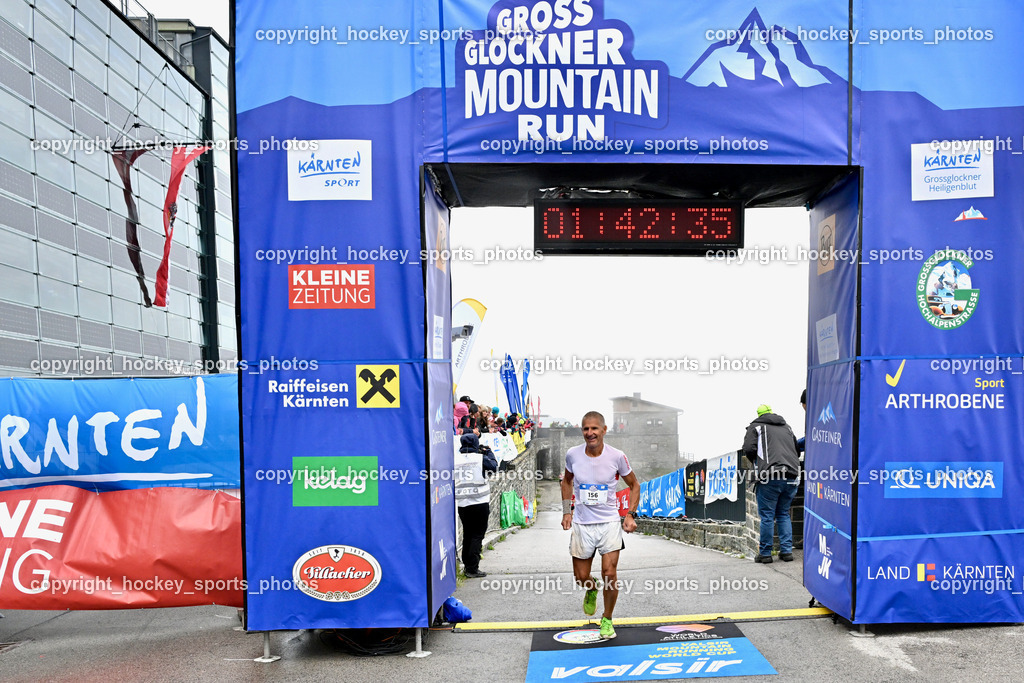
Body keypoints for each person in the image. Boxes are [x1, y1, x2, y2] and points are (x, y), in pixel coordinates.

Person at [560, 411, 641, 640]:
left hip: (609, 523)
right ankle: (591, 587)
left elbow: (634, 485)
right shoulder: (572, 455)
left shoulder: (617, 456)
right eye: (586, 429)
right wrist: (567, 511)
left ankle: (607, 619)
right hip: (582, 523)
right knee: (581, 576)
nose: (590, 433)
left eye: (594, 429)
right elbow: (566, 481)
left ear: (604, 430)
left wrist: (630, 515)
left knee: (610, 573)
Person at [742, 404, 801, 564]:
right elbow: (796, 449)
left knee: (767, 516)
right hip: (792, 475)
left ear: (759, 414)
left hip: (770, 475)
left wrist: (757, 461)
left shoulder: (756, 427)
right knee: (783, 514)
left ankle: (766, 554)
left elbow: (748, 448)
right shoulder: (787, 427)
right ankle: (786, 552)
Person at [455, 432, 497, 578]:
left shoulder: (454, 459)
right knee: (477, 535)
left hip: (462, 503)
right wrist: (489, 452)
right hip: (479, 502)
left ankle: (467, 564)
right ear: (475, 444)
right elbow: (493, 467)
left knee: (468, 533)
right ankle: (472, 568)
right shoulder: (481, 458)